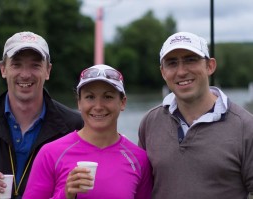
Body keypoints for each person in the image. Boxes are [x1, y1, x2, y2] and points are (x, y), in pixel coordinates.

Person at [0, 31, 84, 199]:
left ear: (48, 71)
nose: (25, 74)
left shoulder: (74, 125)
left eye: (35, 65)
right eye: (16, 64)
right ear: (3, 69)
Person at [138, 31, 253, 199]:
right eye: (172, 63)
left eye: (190, 60)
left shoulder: (246, 126)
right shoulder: (150, 122)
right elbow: (140, 187)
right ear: (163, 72)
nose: (182, 71)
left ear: (210, 66)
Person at [23, 64, 153, 199]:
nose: (98, 107)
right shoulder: (50, 154)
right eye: (90, 97)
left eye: (108, 97)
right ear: (79, 102)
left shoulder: (139, 159)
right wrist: (65, 195)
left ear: (123, 102)